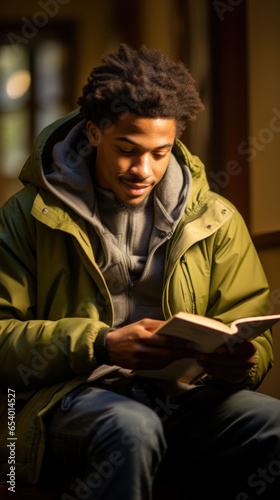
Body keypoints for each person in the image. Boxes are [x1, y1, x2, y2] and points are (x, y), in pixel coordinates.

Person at [0, 43, 279, 500]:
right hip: (63, 400)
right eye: (127, 150)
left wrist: (237, 365)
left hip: (184, 398)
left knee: (273, 424)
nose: (142, 170)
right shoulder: (25, 216)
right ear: (93, 132)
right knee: (132, 429)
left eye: (160, 152)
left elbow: (251, 331)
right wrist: (100, 344)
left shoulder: (216, 218)